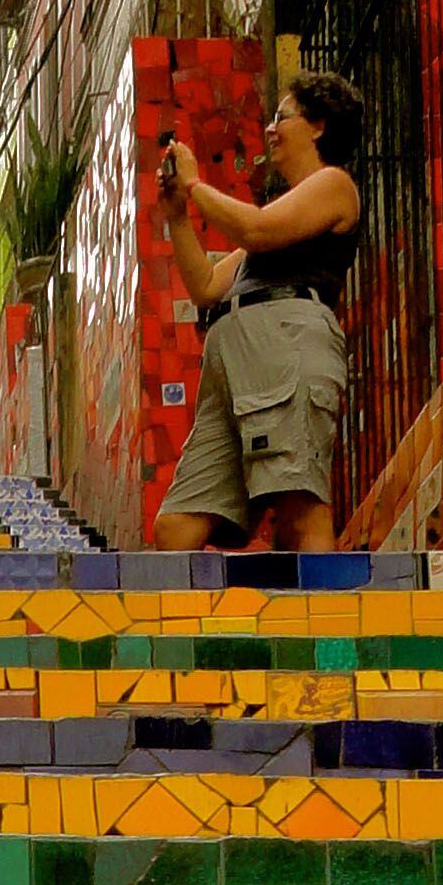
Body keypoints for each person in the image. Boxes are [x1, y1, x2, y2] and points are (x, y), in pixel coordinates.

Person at [157, 70, 367, 553]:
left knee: (298, 508)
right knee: (177, 529)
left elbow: (254, 230)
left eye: (282, 116)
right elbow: (207, 287)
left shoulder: (333, 184)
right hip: (235, 366)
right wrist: (177, 217)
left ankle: (323, 624)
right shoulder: (278, 211)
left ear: (317, 126)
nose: (271, 129)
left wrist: (195, 186)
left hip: (287, 346)